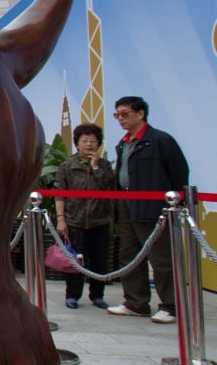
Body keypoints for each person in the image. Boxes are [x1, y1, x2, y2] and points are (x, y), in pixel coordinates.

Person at [106, 96, 189, 324]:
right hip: (126, 204)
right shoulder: (124, 143)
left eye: (125, 114)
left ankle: (170, 306)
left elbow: (179, 173)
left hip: (154, 206)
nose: (121, 119)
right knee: (129, 255)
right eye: (117, 115)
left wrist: (175, 203)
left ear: (140, 113)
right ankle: (136, 302)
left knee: (161, 257)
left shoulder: (160, 140)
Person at [53, 123, 114, 309]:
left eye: (93, 141)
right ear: (77, 143)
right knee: (74, 262)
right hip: (75, 221)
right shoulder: (67, 165)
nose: (89, 144)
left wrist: (96, 168)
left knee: (99, 262)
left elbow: (108, 187)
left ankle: (97, 295)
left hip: (99, 221)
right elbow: (59, 193)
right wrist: (61, 219)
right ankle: (72, 295)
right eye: (85, 140)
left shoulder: (104, 165)